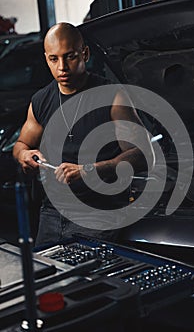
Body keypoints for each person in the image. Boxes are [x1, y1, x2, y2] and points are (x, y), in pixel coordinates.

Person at [13, 22, 154, 248]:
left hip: (99, 213)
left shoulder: (112, 96)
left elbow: (142, 154)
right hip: (51, 212)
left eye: (69, 57)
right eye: (54, 59)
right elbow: (20, 144)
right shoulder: (41, 100)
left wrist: (90, 171)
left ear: (84, 54)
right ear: (46, 58)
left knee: (89, 282)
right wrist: (24, 155)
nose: (62, 68)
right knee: (48, 280)